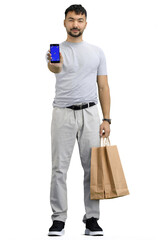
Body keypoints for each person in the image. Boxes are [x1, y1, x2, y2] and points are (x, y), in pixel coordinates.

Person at [46, 4, 111, 237]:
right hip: (63, 113)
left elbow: (103, 86)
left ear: (85, 23)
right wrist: (55, 64)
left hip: (91, 114)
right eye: (71, 20)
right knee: (59, 169)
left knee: (92, 168)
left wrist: (107, 119)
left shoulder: (97, 51)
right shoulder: (57, 50)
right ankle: (59, 219)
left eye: (80, 20)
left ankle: (92, 219)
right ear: (64, 22)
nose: (75, 24)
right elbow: (54, 67)